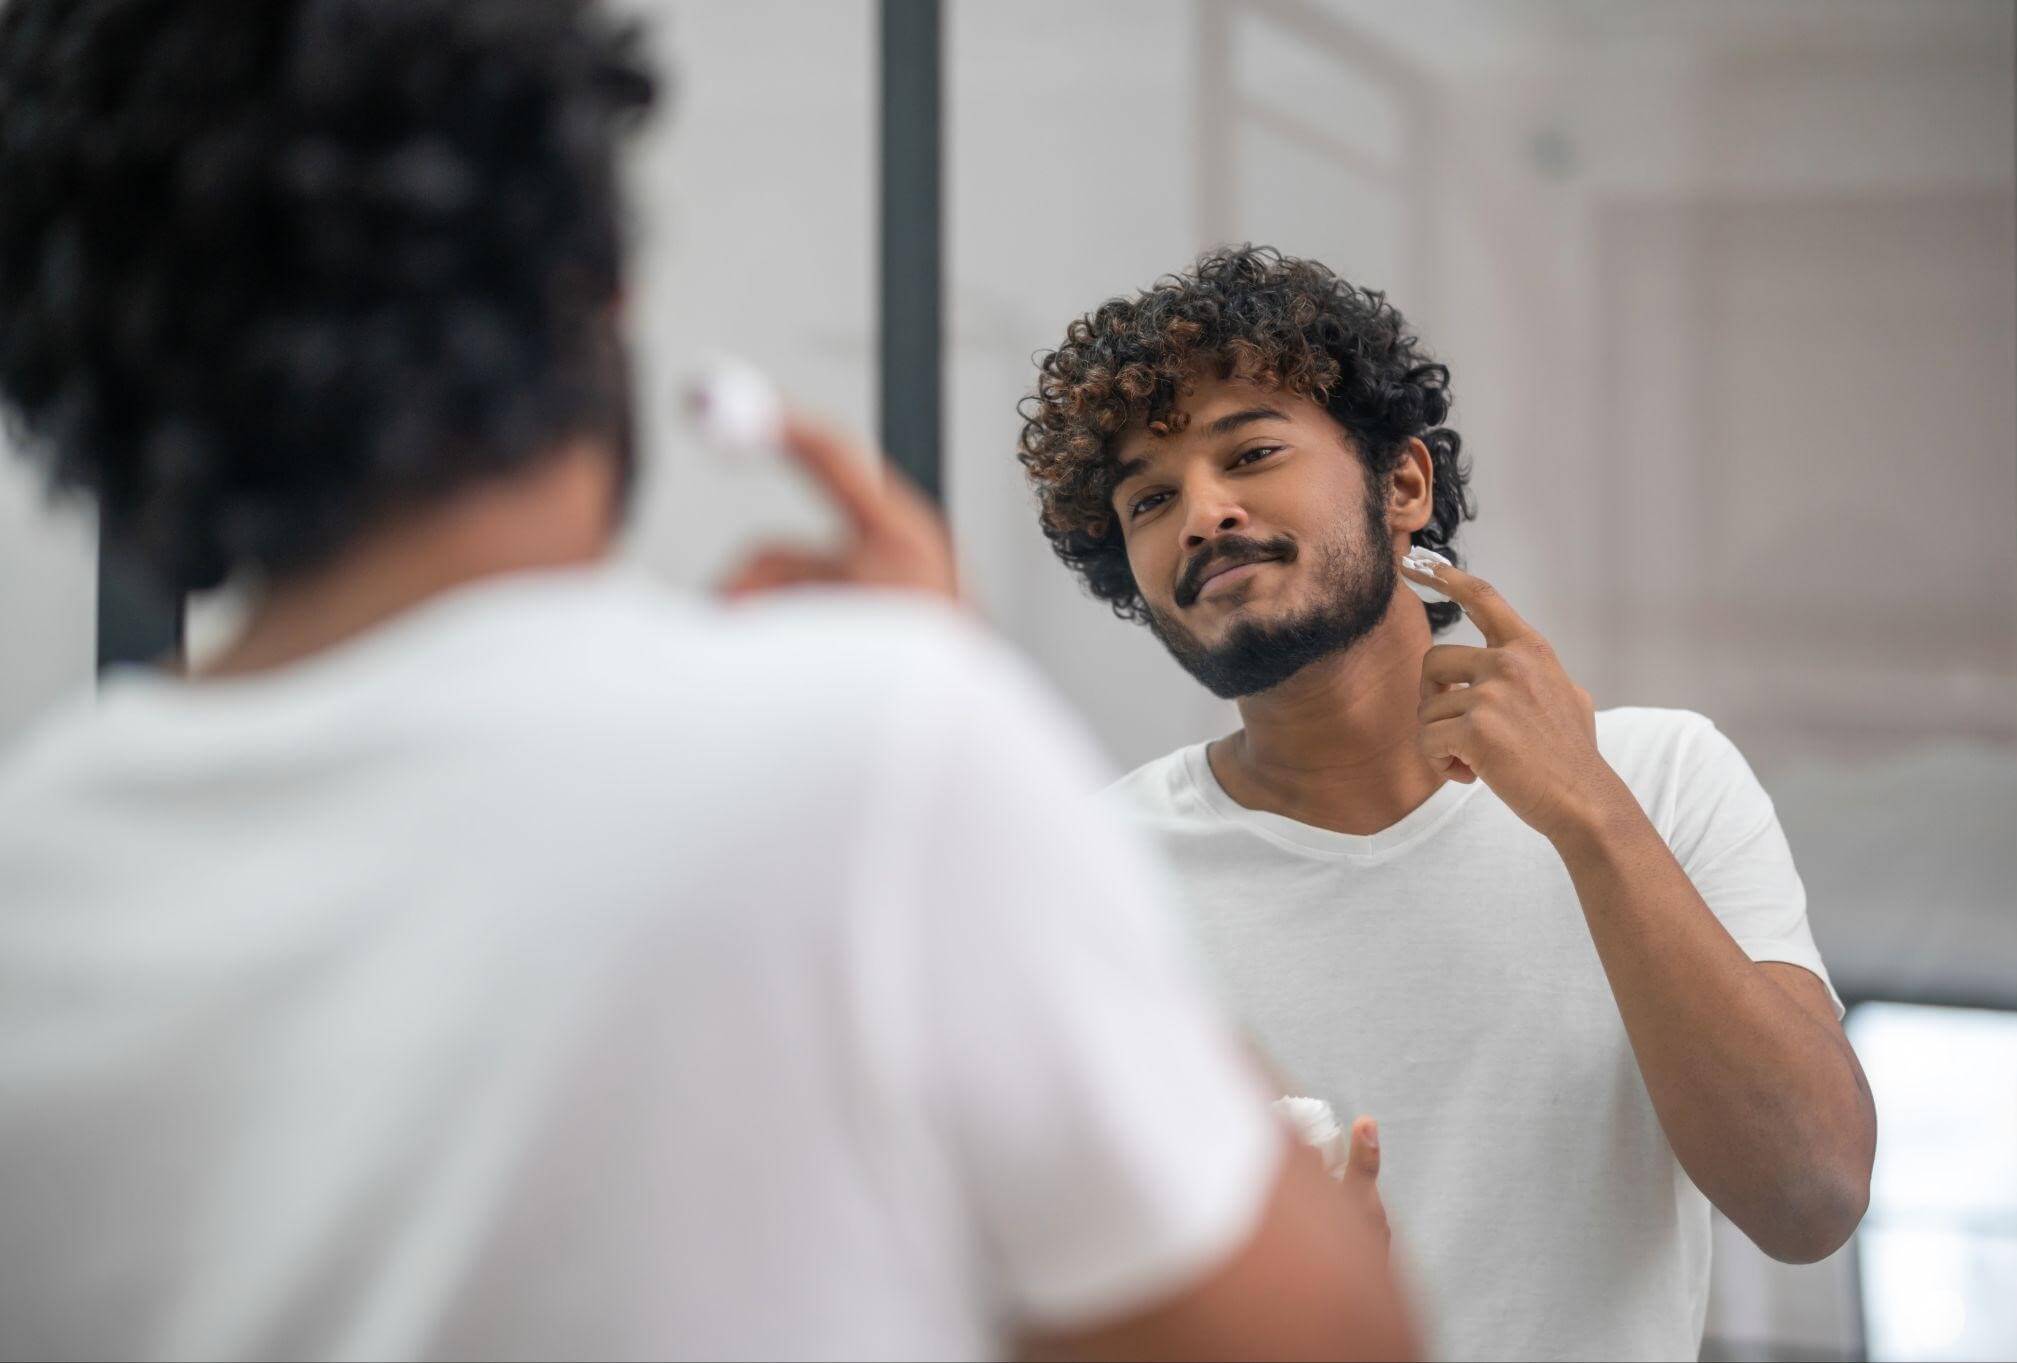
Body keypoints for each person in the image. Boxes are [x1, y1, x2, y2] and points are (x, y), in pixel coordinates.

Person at [0, 7, 1413, 1359]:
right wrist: (949, 689)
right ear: (595, 294)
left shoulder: (38, 874)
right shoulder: (871, 755)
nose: (1206, 513)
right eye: (1153, 487)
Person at [1014, 244, 1878, 1362]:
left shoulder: (1659, 777)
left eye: (1253, 452)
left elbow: (1807, 1197)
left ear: (1403, 485)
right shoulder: (1094, 874)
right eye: (1148, 499)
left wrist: (1588, 818)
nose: (1203, 513)